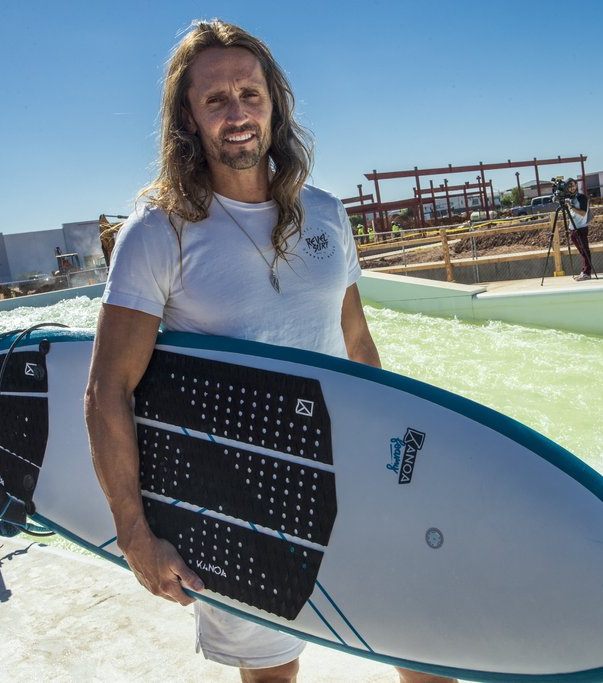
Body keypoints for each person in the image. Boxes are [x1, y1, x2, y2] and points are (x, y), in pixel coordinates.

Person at [83, 19, 454, 683]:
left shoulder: (326, 214)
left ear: (274, 103)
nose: (237, 113)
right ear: (188, 118)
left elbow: (357, 343)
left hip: (352, 477)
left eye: (249, 94)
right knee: (273, 674)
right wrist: (136, 533)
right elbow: (107, 389)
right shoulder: (158, 231)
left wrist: (397, 461)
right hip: (236, 496)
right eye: (215, 99)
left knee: (424, 651)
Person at [563, 179, 595, 281]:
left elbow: (583, 213)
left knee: (585, 250)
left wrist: (571, 207)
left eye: (573, 185)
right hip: (572, 228)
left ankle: (587, 273)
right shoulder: (569, 198)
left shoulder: (581, 197)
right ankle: (584, 271)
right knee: (582, 252)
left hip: (581, 227)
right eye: (569, 186)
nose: (572, 187)